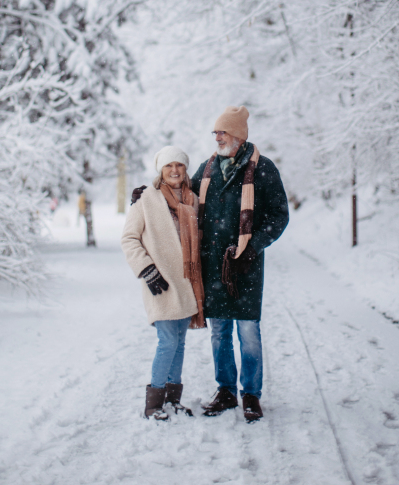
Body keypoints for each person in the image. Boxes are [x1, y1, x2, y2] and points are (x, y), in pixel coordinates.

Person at [191, 106, 289, 423]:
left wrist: (254, 246)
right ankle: (226, 391)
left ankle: (251, 395)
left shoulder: (262, 169)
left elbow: (279, 215)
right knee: (219, 332)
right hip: (213, 266)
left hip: (246, 268)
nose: (217, 138)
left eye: (222, 132)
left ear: (238, 135)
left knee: (248, 332)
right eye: (216, 132)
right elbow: (182, 198)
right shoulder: (206, 170)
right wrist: (150, 193)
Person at [121, 146, 205, 420]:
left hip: (186, 282)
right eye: (168, 166)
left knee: (179, 343)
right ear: (161, 170)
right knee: (168, 341)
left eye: (179, 165)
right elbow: (129, 239)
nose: (174, 170)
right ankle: (154, 404)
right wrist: (147, 270)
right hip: (161, 282)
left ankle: (172, 400)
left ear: (185, 170)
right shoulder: (146, 199)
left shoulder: (192, 200)